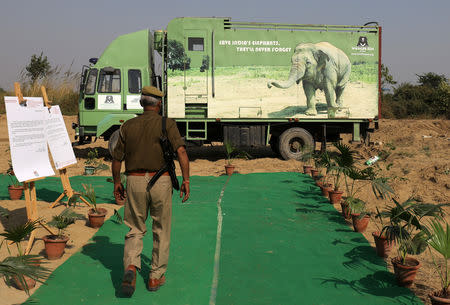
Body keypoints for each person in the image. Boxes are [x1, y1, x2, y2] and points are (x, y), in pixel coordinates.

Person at [111, 85, 190, 296]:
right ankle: (155, 277)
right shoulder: (167, 124)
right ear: (159, 104)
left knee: (135, 228)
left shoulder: (127, 125)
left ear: (141, 103)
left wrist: (117, 182)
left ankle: (130, 267)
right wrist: (186, 180)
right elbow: (181, 151)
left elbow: (117, 158)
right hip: (161, 181)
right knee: (161, 229)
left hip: (134, 181)